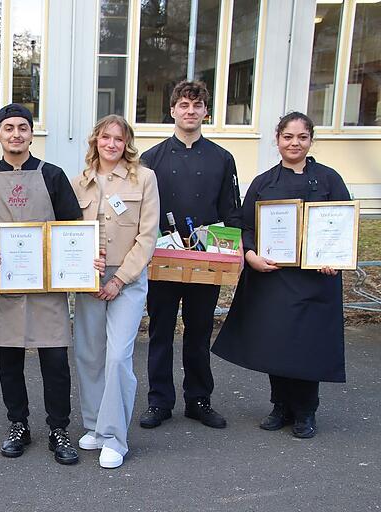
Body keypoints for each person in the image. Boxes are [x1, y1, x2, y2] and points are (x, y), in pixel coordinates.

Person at [212, 112, 349, 439]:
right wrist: (250, 255)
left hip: (316, 279)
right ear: (278, 140)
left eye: (301, 137)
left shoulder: (329, 180)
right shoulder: (264, 182)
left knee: (306, 346)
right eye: (288, 137)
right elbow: (245, 226)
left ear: (310, 140)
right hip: (273, 277)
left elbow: (342, 223)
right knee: (277, 344)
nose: (294, 143)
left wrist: (333, 258)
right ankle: (280, 406)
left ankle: (305, 411)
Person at [0, 103, 83, 465]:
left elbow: (73, 228)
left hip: (47, 288)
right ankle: (18, 424)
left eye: (22, 127)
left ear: (32, 134)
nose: (16, 134)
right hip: (2, 283)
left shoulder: (52, 176)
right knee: (9, 361)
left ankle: (59, 429)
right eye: (8, 128)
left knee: (55, 361)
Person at [138, 80, 242, 430]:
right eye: (184, 105)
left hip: (206, 258)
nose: (190, 111)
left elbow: (231, 210)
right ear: (172, 110)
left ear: (205, 112)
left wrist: (232, 250)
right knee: (160, 331)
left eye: (197, 106)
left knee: (199, 331)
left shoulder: (222, 158)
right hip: (164, 256)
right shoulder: (151, 159)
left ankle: (199, 399)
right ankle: (159, 401)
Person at [72, 115, 159, 468]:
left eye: (118, 139)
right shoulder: (79, 182)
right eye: (105, 137)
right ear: (95, 140)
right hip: (89, 281)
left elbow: (147, 236)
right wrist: (83, 274)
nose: (111, 144)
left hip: (127, 280)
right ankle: (94, 425)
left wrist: (119, 279)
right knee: (89, 355)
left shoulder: (145, 178)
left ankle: (115, 437)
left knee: (118, 357)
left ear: (127, 143)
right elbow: (70, 235)